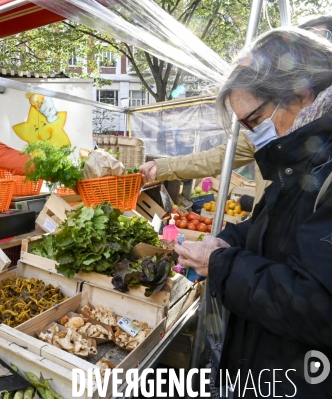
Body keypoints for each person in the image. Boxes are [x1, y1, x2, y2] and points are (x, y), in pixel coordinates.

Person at [175, 27, 332, 397]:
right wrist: (225, 240)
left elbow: (319, 307)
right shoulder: (301, 159)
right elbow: (271, 225)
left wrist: (223, 264)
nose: (253, 135)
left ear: (301, 94)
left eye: (253, 121)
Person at [139, 16, 332, 207]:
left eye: (256, 119)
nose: (256, 132)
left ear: (301, 95)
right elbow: (218, 157)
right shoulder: (273, 137)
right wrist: (162, 167)